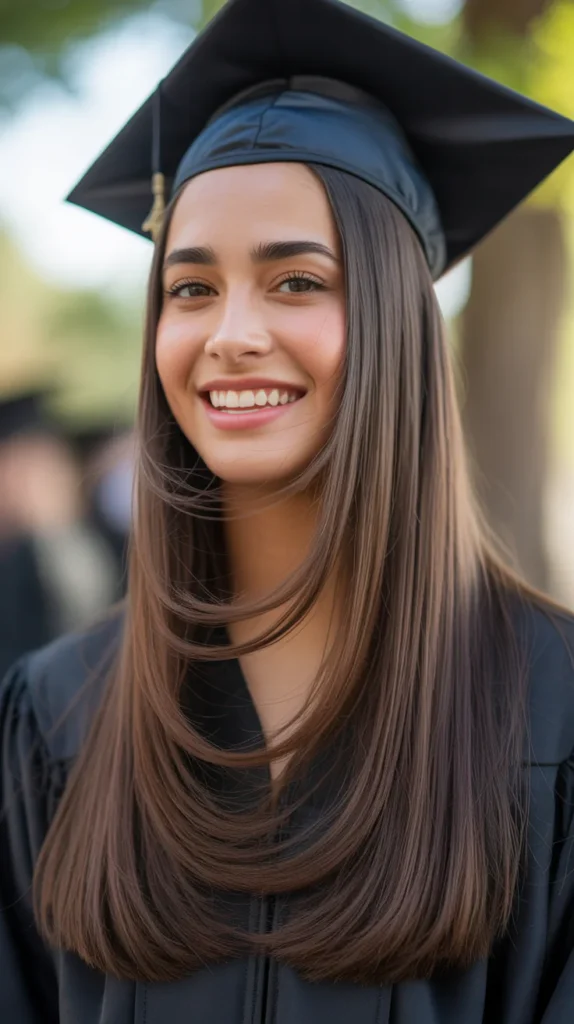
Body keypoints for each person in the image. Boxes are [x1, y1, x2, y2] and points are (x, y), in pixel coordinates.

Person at [2, 0, 574, 1021]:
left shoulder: (554, 708)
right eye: (190, 289)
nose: (230, 333)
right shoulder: (58, 714)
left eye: (297, 280)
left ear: (398, 321)